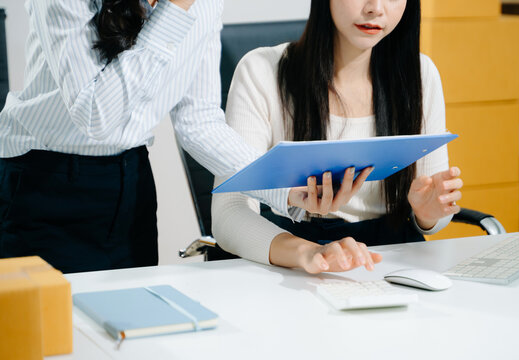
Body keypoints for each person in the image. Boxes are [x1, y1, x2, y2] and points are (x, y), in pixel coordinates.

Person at [0, 0, 366, 273]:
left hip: (129, 183)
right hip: (40, 182)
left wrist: (287, 190)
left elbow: (199, 121)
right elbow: (97, 116)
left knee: (129, 337)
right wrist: (174, 10)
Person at [212, 0, 464, 274]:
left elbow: (433, 216)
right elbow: (229, 213)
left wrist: (427, 215)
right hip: (290, 258)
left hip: (390, 260)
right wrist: (308, 252)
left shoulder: (420, 74)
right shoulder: (261, 72)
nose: (375, 8)